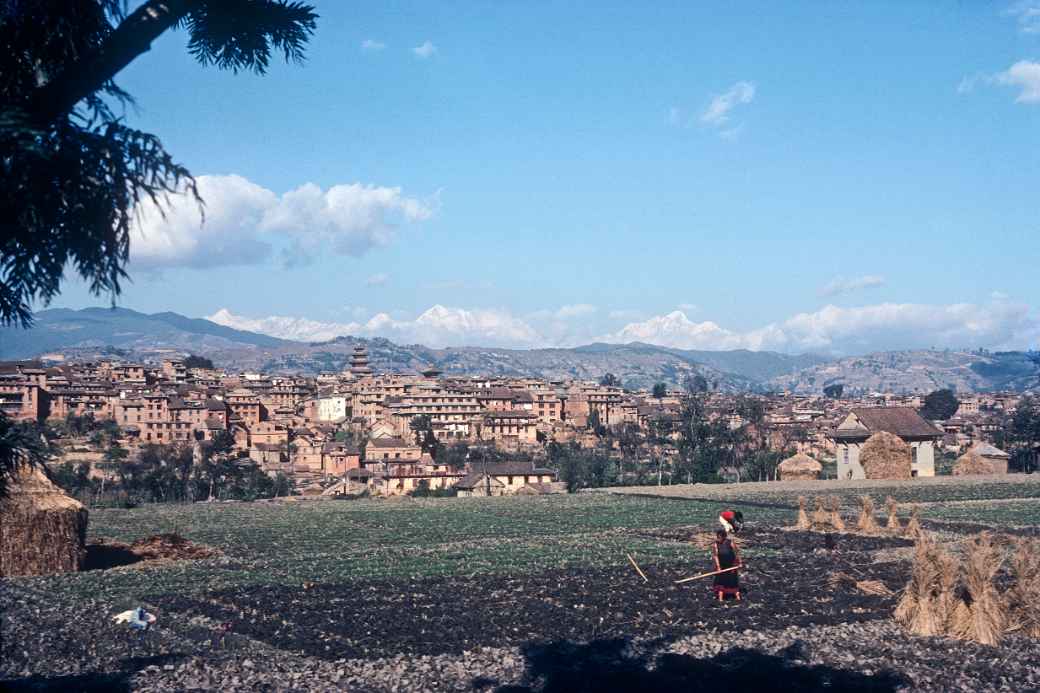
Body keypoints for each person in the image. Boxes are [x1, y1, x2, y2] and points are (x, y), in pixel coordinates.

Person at [711, 528, 742, 601]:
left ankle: (738, 598)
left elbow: (737, 553)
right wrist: (718, 567)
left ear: (724, 537)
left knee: (733, 581)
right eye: (717, 537)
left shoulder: (730, 542)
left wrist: (739, 563)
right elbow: (715, 556)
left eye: (719, 537)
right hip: (722, 566)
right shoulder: (716, 544)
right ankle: (720, 599)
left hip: (732, 565)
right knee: (721, 582)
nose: (718, 539)